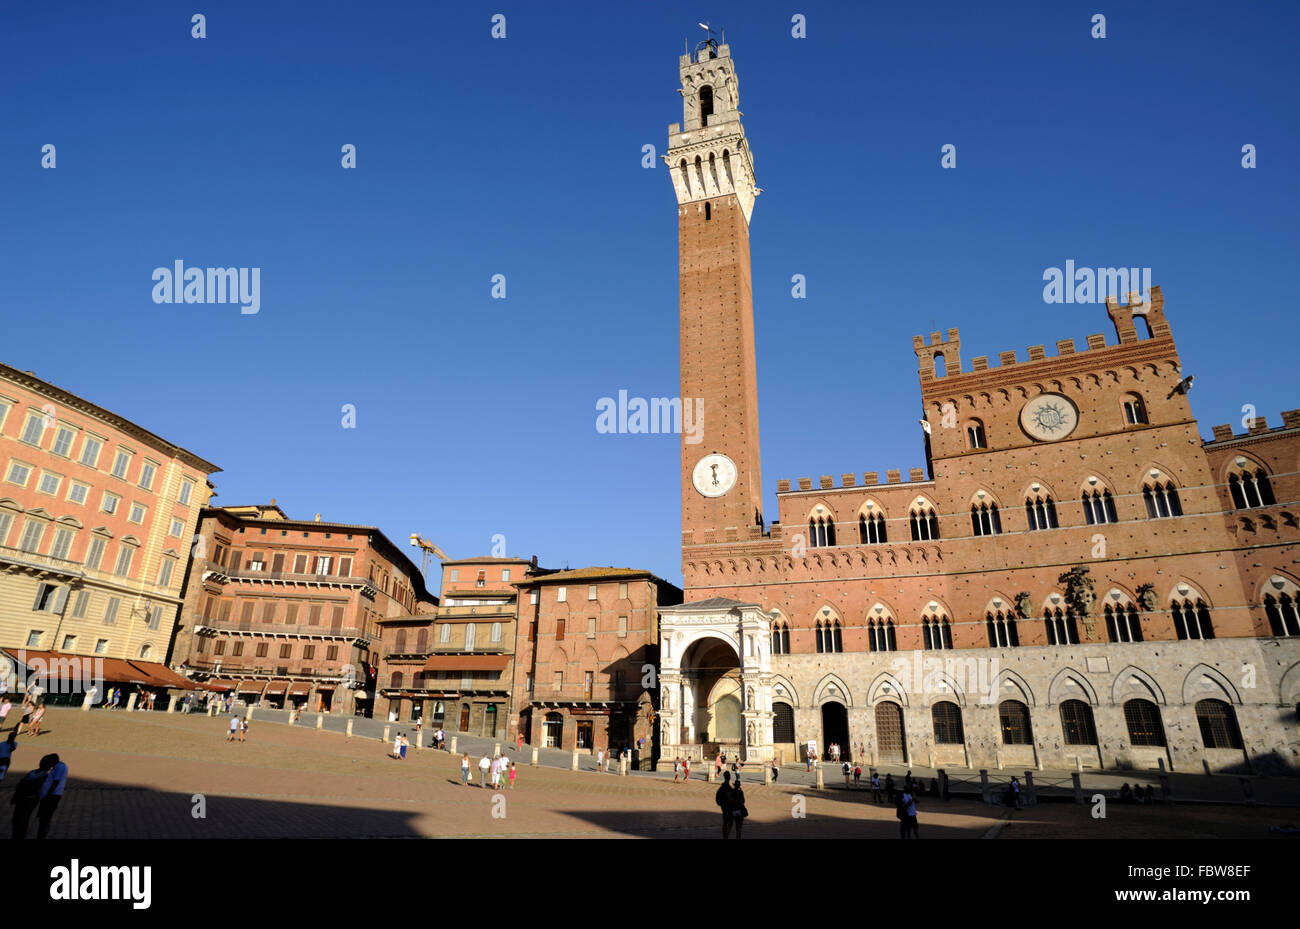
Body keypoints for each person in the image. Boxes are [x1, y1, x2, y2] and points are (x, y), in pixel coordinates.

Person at [10, 755, 53, 839]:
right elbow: (21, 784)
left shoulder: (44, 776)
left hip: (29, 800)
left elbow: (31, 787)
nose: (41, 763)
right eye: (42, 761)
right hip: (23, 798)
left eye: (44, 762)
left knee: (23, 819)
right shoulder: (34, 772)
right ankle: (16, 835)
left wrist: (24, 786)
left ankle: (20, 836)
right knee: (17, 819)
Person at [36, 753, 67, 839]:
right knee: (43, 818)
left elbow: (55, 782)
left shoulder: (60, 767)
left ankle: (41, 836)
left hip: (52, 797)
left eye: (49, 762)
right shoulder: (57, 767)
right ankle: (41, 835)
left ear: (54, 760)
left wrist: (47, 795)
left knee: (45, 818)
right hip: (50, 796)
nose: (49, 764)